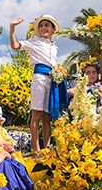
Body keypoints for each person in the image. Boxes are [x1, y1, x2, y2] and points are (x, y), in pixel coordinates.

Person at [10, 15, 65, 153]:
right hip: (39, 77)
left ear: (53, 29)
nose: (43, 28)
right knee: (37, 114)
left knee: (47, 116)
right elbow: (15, 45)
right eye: (41, 25)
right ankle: (36, 149)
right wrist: (12, 28)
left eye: (47, 25)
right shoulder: (34, 41)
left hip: (51, 79)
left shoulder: (55, 46)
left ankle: (47, 149)